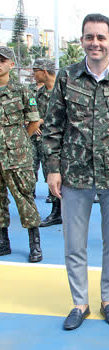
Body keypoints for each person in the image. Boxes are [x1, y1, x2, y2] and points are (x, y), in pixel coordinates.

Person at [43, 13, 109, 330]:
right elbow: (52, 127)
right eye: (89, 37)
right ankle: (79, 303)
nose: (95, 43)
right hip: (75, 174)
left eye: (101, 37)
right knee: (75, 242)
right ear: (82, 41)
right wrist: (53, 169)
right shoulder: (67, 77)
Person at [0, 46, 43, 263]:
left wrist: (21, 140)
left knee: (24, 197)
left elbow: (34, 120)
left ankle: (34, 244)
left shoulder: (22, 90)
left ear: (11, 64)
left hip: (17, 156)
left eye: (2, 60)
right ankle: (3, 242)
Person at [32, 58, 61, 227]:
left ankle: (61, 211)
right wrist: (34, 123)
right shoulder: (39, 93)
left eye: (35, 70)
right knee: (47, 173)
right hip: (41, 140)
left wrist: (41, 121)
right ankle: (56, 212)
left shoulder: (62, 89)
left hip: (59, 141)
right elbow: (32, 111)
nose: (33, 74)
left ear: (44, 71)